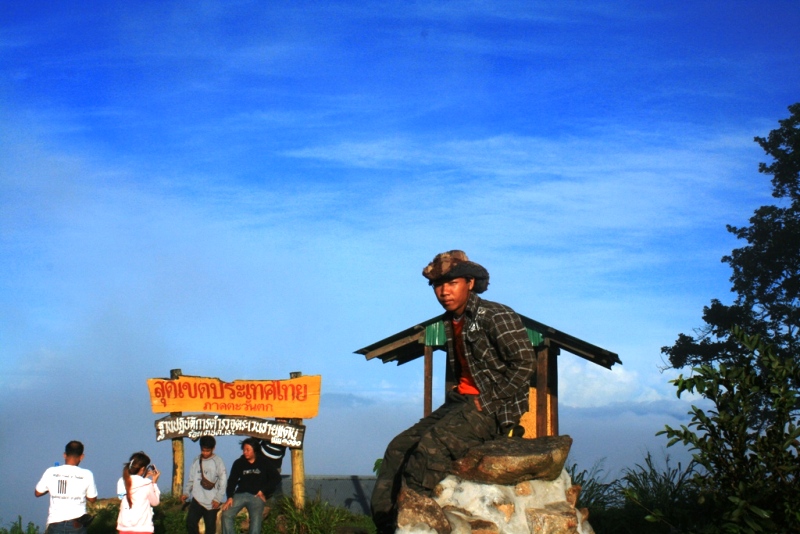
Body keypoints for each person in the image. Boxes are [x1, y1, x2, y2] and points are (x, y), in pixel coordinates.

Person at [371, 250, 536, 533]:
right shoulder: (450, 321)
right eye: (438, 285)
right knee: (398, 447)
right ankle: (386, 525)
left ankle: (414, 524)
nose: (444, 291)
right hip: (460, 401)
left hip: (493, 406)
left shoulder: (495, 314)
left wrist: (489, 402)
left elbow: (525, 363)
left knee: (430, 449)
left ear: (470, 283)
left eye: (452, 283)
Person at [220, 437, 282, 534]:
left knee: (256, 517)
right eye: (244, 450)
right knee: (226, 514)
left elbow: (276, 478)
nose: (245, 452)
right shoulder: (238, 463)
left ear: (254, 450)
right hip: (240, 494)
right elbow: (232, 481)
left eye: (248, 450)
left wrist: (263, 491)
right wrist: (230, 497)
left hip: (256, 495)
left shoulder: (264, 462)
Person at [35, 441, 98, 534]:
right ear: (82, 457)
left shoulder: (51, 472)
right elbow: (92, 499)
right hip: (77, 524)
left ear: (64, 455)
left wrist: (51, 487)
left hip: (55, 522)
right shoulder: (87, 474)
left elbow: (37, 493)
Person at [181, 436, 228, 534]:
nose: (205, 453)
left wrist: (218, 498)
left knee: (210, 528)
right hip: (197, 499)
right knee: (190, 523)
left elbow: (223, 481)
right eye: (203, 450)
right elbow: (191, 479)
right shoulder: (196, 460)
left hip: (211, 502)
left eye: (208, 451)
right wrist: (186, 493)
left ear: (213, 448)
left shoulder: (218, 461)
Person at [116, 451, 161, 534]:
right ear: (143, 468)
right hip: (142, 528)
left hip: (124, 528)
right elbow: (155, 502)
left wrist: (144, 478)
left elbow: (122, 496)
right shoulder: (146, 484)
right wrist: (154, 483)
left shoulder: (122, 481)